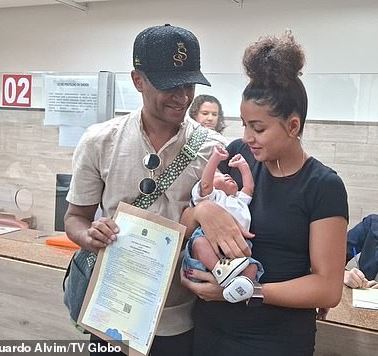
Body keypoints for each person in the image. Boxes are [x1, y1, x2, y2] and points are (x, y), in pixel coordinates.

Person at [64, 24, 236, 356]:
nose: (183, 97)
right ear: (137, 80)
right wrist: (89, 236)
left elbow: (227, 229)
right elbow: (75, 217)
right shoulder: (101, 141)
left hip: (180, 319)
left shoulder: (213, 149)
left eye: (188, 85)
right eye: (170, 86)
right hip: (110, 313)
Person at [180, 31, 349, 356]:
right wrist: (202, 211)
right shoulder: (235, 155)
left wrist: (246, 291)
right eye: (244, 124)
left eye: (258, 128)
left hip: (276, 341)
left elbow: (328, 289)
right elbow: (186, 223)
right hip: (210, 332)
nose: (248, 137)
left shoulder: (322, 186)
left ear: (293, 126)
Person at [182, 145, 263, 303]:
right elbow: (205, 184)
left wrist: (243, 166)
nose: (227, 175)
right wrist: (215, 159)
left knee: (253, 267)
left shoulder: (238, 200)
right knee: (199, 243)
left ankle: (239, 285)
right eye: (219, 175)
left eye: (227, 174)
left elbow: (249, 187)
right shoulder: (213, 197)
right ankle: (219, 270)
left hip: (238, 246)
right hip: (208, 239)